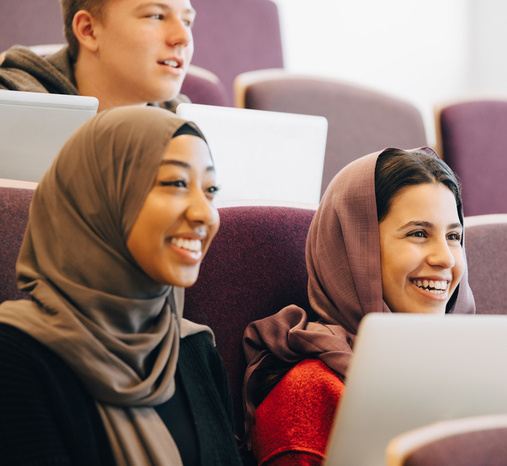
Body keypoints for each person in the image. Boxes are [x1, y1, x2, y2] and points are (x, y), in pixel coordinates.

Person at [0, 106, 242, 465]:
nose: (205, 213)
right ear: (99, 199)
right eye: (176, 183)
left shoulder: (194, 350)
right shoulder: (15, 357)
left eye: (210, 190)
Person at [242, 147, 476, 465]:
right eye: (419, 233)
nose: (445, 258)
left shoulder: (477, 368)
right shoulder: (309, 395)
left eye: (453, 236)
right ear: (353, 250)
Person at [0, 0, 194, 112]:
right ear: (89, 30)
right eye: (156, 16)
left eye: (187, 21)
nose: (184, 37)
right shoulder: (11, 104)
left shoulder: (185, 121)